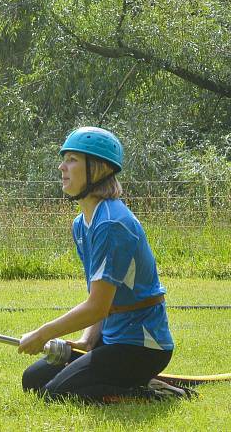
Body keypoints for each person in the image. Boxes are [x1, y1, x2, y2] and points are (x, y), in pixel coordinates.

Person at [18, 127, 178, 402]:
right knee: (32, 380)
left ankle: (150, 391)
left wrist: (42, 333)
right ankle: (128, 380)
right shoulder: (82, 224)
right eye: (64, 159)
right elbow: (101, 298)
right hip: (112, 337)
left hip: (142, 346)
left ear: (98, 168)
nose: (62, 167)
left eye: (72, 160)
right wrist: (87, 340)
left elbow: (97, 306)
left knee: (57, 394)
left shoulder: (112, 223)